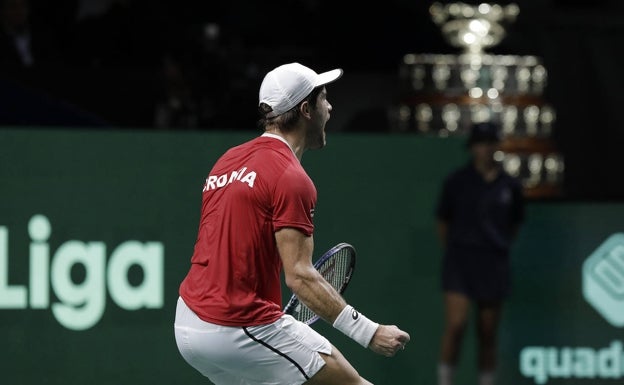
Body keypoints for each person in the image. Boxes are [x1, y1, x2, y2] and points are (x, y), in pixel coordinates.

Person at [174, 62, 411, 385]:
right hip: (235, 325)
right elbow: (300, 276)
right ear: (305, 110)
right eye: (323, 98)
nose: (330, 106)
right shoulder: (290, 177)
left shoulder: (228, 160)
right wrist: (370, 332)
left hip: (188, 324)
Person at [434, 122, 525, 385]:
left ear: (497, 146)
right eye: (480, 143)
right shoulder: (456, 182)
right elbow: (443, 222)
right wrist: (458, 249)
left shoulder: (510, 186)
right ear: (473, 147)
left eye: (490, 143)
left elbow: (515, 224)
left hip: (493, 264)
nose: (485, 149)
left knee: (487, 333)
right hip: (460, 262)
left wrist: (496, 245)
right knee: (456, 326)